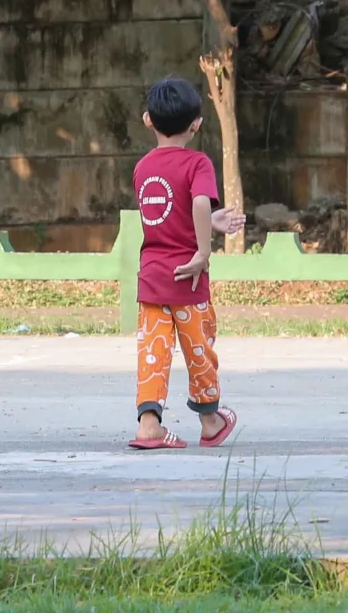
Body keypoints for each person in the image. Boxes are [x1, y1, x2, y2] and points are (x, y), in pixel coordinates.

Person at [128, 76, 243, 451]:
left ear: (148, 120)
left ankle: (149, 427)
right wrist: (203, 253)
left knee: (153, 352)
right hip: (189, 282)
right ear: (197, 123)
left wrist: (212, 220)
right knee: (199, 350)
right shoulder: (198, 163)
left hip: (153, 279)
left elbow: (167, 213)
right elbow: (194, 204)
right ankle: (210, 421)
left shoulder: (143, 168)